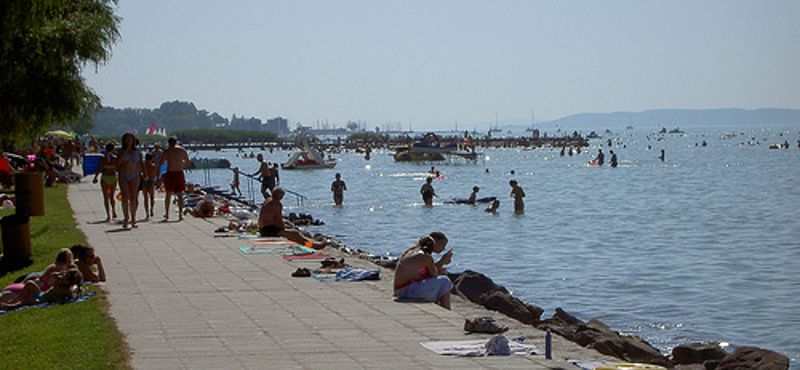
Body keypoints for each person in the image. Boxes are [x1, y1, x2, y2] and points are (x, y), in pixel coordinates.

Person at [394, 235, 453, 309]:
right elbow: (433, 274)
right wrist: (442, 262)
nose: (443, 248)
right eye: (442, 245)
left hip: (399, 290)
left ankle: (442, 305)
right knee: (445, 281)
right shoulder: (425, 256)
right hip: (407, 290)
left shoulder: (412, 251)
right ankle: (446, 307)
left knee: (440, 279)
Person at [258, 187, 326, 249]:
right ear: (281, 196)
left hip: (263, 228)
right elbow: (278, 219)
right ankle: (313, 245)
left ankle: (308, 244)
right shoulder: (277, 204)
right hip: (269, 230)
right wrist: (283, 229)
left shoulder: (268, 199)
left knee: (294, 235)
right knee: (295, 234)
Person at [1, 248, 74, 304]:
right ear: (69, 262)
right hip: (24, 292)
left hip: (19, 287)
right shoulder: (60, 271)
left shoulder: (51, 267)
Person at [1, 267, 83, 310]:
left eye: (65, 276)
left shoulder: (66, 290)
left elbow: (69, 298)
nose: (62, 276)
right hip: (41, 295)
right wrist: (60, 274)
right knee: (30, 284)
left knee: (26, 302)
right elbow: (52, 275)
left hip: (42, 300)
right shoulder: (59, 282)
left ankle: (9, 306)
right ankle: (16, 299)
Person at [116, 133, 146, 228]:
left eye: (131, 139)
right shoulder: (120, 151)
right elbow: (118, 163)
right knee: (125, 196)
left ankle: (133, 218)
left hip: (135, 174)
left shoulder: (137, 151)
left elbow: (141, 163)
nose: (129, 141)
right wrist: (126, 151)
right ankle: (126, 217)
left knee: (133, 197)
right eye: (127, 139)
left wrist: (145, 174)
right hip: (123, 174)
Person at [158, 137, 190, 221]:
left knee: (168, 194)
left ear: (169, 143)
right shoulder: (182, 150)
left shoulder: (167, 151)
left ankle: (167, 213)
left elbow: (161, 162)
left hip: (170, 172)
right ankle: (180, 214)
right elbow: (187, 163)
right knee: (180, 194)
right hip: (179, 171)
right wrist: (180, 161)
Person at [92, 142, 118, 221]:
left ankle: (108, 215)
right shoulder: (115, 158)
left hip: (105, 177)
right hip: (113, 177)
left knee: (105, 197)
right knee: (112, 196)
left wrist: (95, 177)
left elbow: (99, 169)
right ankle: (113, 211)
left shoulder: (103, 158)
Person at [142, 152, 157, 219]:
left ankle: (147, 213)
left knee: (145, 198)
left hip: (144, 182)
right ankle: (151, 210)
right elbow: (154, 175)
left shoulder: (143, 165)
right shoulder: (153, 166)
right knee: (151, 198)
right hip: (151, 182)